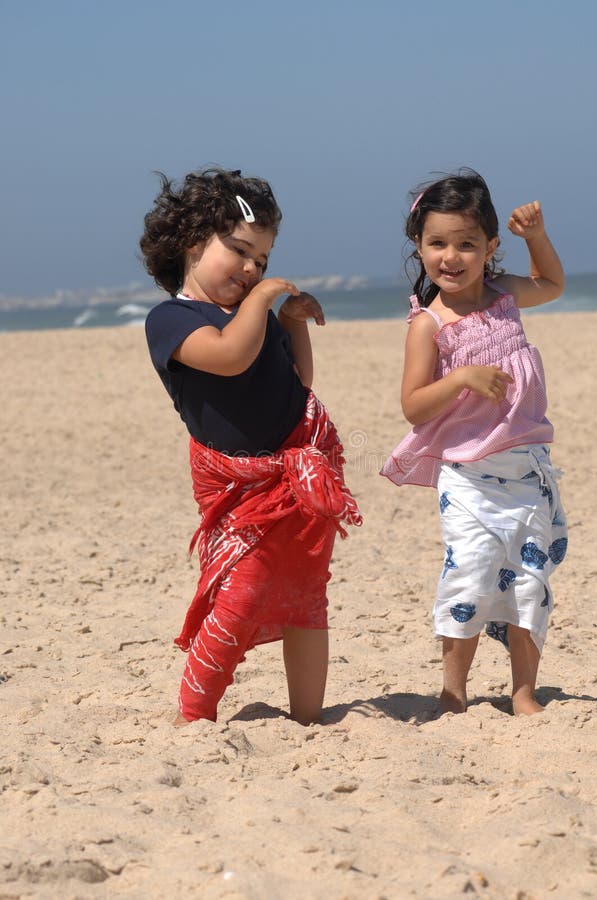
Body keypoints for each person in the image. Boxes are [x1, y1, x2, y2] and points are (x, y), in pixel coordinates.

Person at [141, 167, 362, 726]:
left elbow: (299, 382)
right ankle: (194, 714)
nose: (251, 269)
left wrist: (292, 321)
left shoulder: (257, 318)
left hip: (298, 475)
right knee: (242, 592)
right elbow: (230, 356)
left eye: (261, 261)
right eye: (240, 251)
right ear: (193, 242)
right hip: (240, 486)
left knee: (308, 595)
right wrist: (263, 298)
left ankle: (309, 715)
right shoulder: (173, 319)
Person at [380, 169, 568, 716]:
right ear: (419, 247)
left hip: (527, 467)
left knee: (530, 581)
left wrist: (536, 237)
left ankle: (524, 692)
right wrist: (461, 378)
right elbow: (413, 405)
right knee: (470, 572)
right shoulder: (428, 325)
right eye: (437, 243)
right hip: (467, 476)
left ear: (490, 248)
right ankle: (453, 690)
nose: (452, 256)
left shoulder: (505, 295)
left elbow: (553, 285)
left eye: (467, 244)